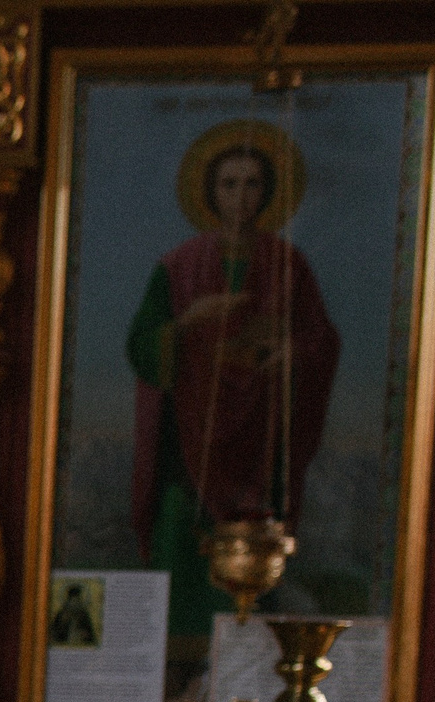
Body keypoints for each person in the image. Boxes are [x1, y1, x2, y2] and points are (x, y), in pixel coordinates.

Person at [127, 129, 338, 639]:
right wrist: (189, 321)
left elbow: (319, 340)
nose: (240, 197)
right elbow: (143, 345)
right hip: (191, 441)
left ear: (267, 193)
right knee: (180, 532)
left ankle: (249, 661)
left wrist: (291, 353)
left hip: (259, 446)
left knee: (257, 557)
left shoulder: (288, 265)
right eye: (229, 184)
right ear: (210, 191)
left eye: (251, 184)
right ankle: (176, 657)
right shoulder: (178, 268)